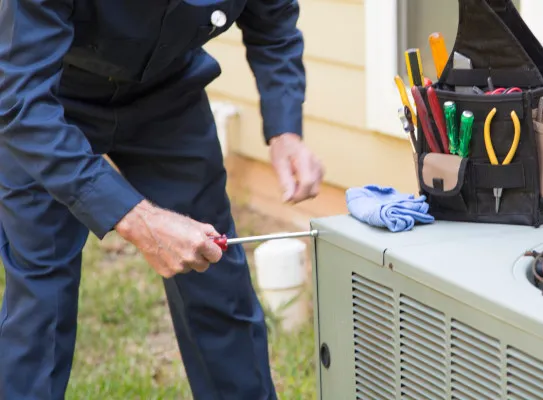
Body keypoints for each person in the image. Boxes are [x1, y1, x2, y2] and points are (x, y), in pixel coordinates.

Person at [0, 0, 324, 398]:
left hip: (168, 94)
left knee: (214, 271)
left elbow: (272, 22)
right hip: (50, 102)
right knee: (41, 298)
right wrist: (136, 219)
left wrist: (285, 128)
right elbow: (22, 101)